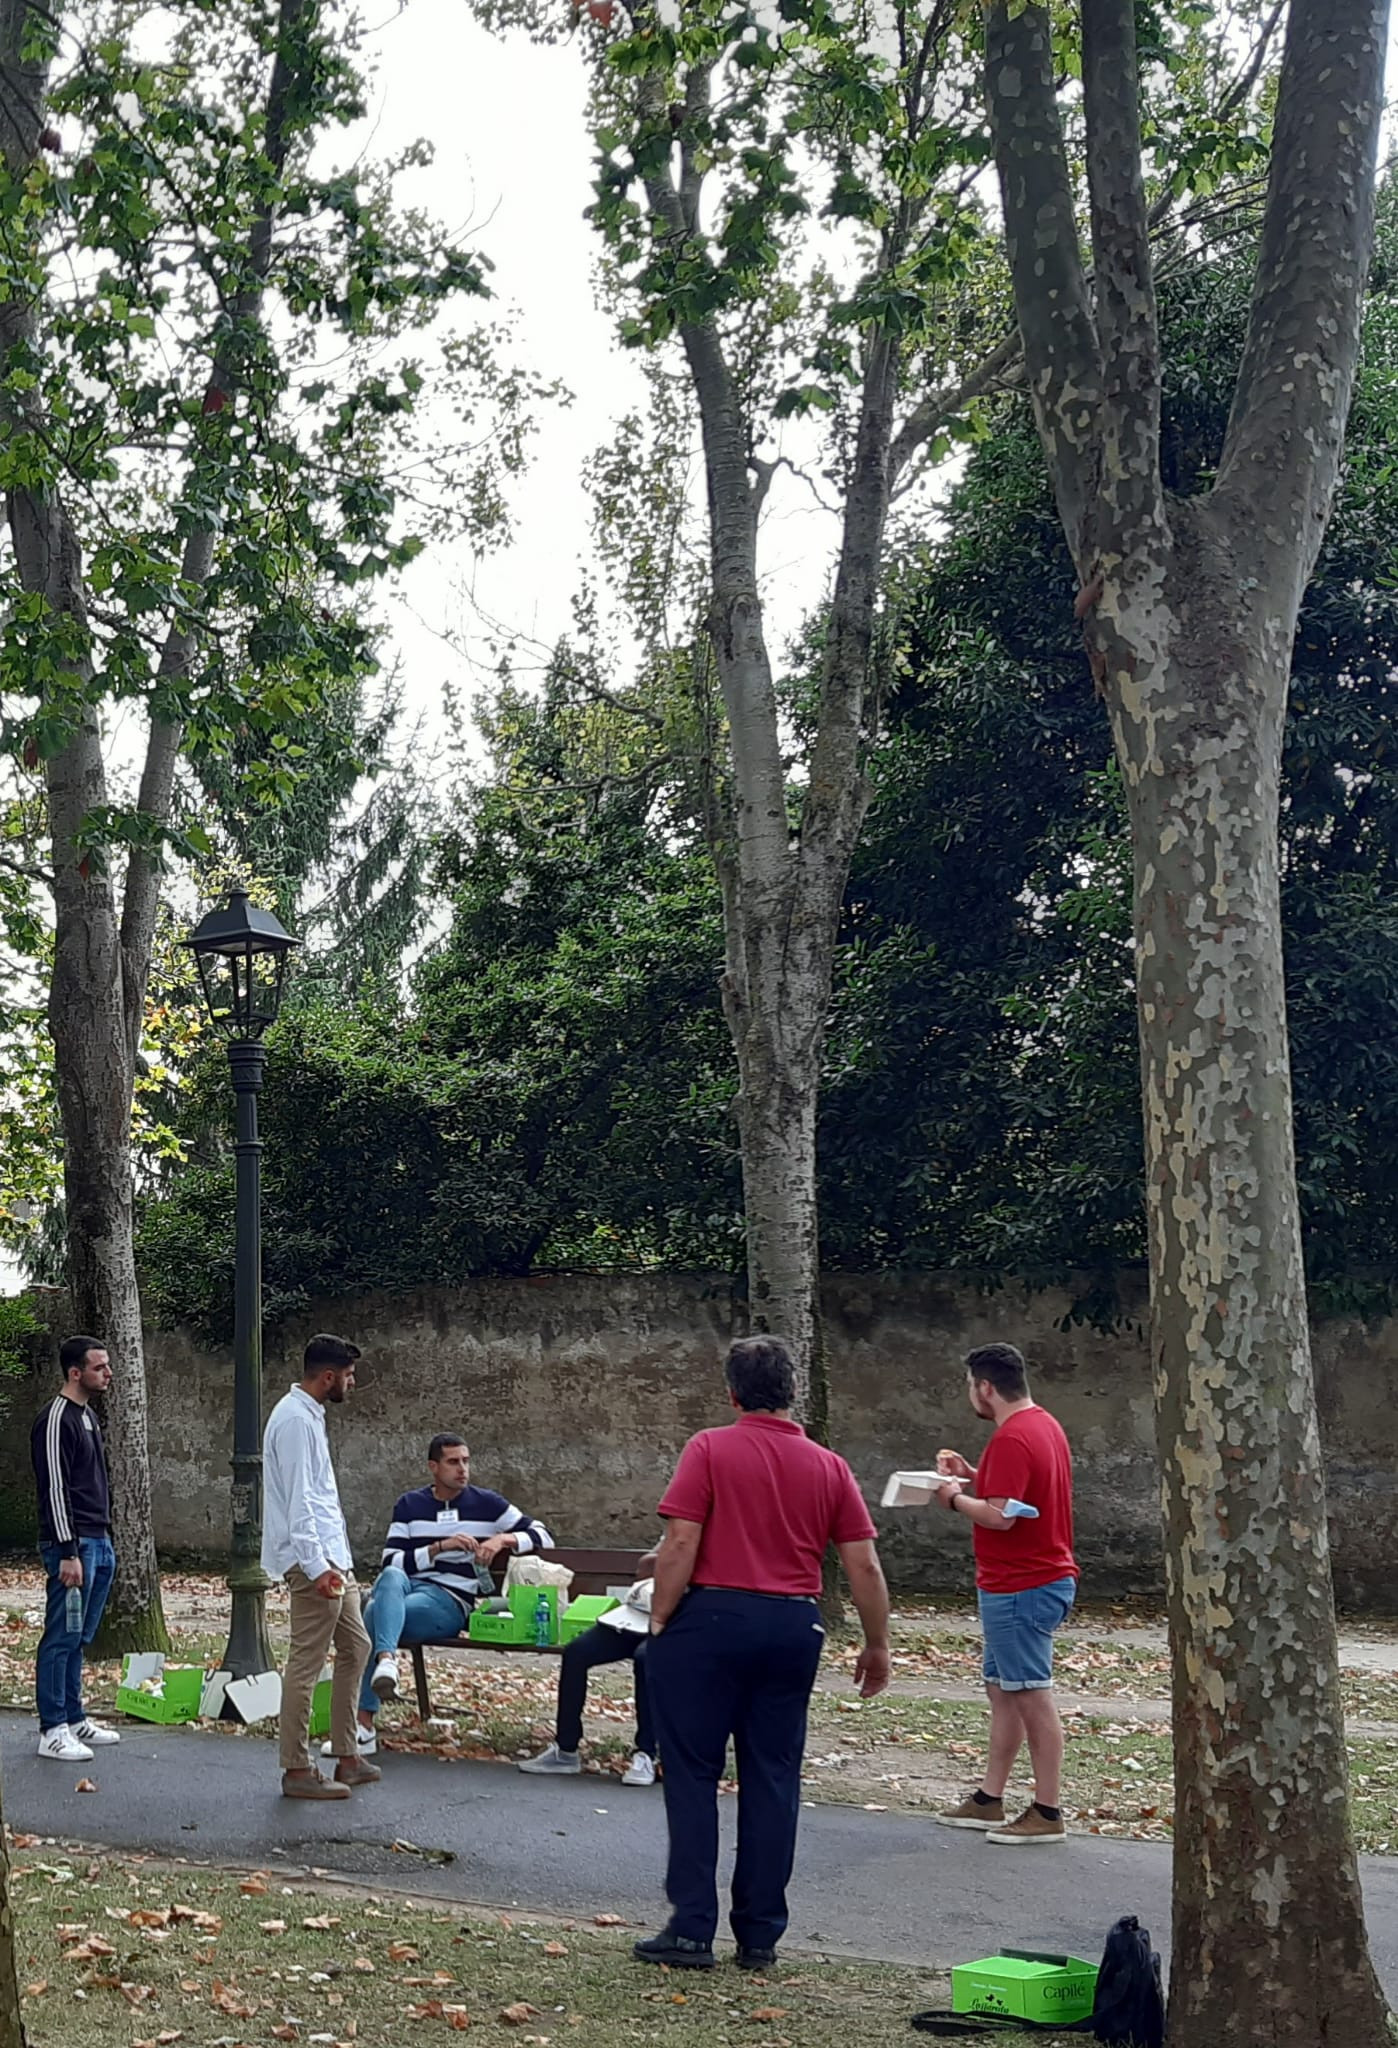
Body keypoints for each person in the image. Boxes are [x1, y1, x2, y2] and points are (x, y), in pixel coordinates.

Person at [635, 1335, 890, 1974]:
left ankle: (692, 1927)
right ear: (793, 1391)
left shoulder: (710, 1448)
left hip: (712, 1620)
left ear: (732, 1392)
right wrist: (877, 1642)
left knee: (693, 1774)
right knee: (773, 1776)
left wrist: (660, 1616)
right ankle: (760, 1933)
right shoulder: (828, 1466)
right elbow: (862, 1561)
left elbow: (680, 1541)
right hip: (791, 1625)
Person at [933, 1341, 1078, 1847]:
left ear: (985, 1387)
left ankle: (1047, 1808)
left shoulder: (1013, 1438)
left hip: (1023, 1582)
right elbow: (1016, 1496)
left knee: (1030, 1693)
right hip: (1019, 1582)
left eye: (971, 1386)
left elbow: (1001, 1516)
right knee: (1003, 1690)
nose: (970, 1394)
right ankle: (989, 1799)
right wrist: (973, 1476)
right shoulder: (1042, 1426)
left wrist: (953, 1498)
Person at [333, 1433, 555, 1757]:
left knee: (374, 1614)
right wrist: (438, 1548)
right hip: (405, 1588)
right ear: (433, 1467)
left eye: (465, 1461)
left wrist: (501, 1541)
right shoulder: (409, 1506)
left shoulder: (487, 1504)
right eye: (453, 1462)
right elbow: (390, 1561)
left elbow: (543, 1535)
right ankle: (386, 1665)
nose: (462, 1469)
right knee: (391, 1578)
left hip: (449, 1601)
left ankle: (366, 1721)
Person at [262, 1333, 374, 1801]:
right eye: (348, 1376)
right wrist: (317, 1566)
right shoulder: (293, 1422)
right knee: (306, 1663)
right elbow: (300, 1499)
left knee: (357, 1645)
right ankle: (296, 1767)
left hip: (331, 1558)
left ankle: (347, 1753)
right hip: (314, 1562)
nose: (352, 1383)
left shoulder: (308, 1416)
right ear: (328, 1376)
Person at [30, 1336, 119, 1762]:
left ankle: (74, 1715)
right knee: (61, 1636)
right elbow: (54, 1488)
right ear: (75, 1372)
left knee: (79, 1637)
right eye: (100, 1367)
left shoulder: (88, 1418)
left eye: (107, 1366)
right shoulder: (56, 1419)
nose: (108, 1373)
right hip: (74, 1544)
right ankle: (52, 1729)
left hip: (98, 1541)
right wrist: (67, 1551)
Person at [519, 1555, 660, 1786]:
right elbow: (649, 1563)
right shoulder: (678, 1526)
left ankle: (646, 1754)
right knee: (577, 1652)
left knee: (645, 1658)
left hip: (679, 1615)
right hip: (641, 1609)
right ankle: (566, 1750)